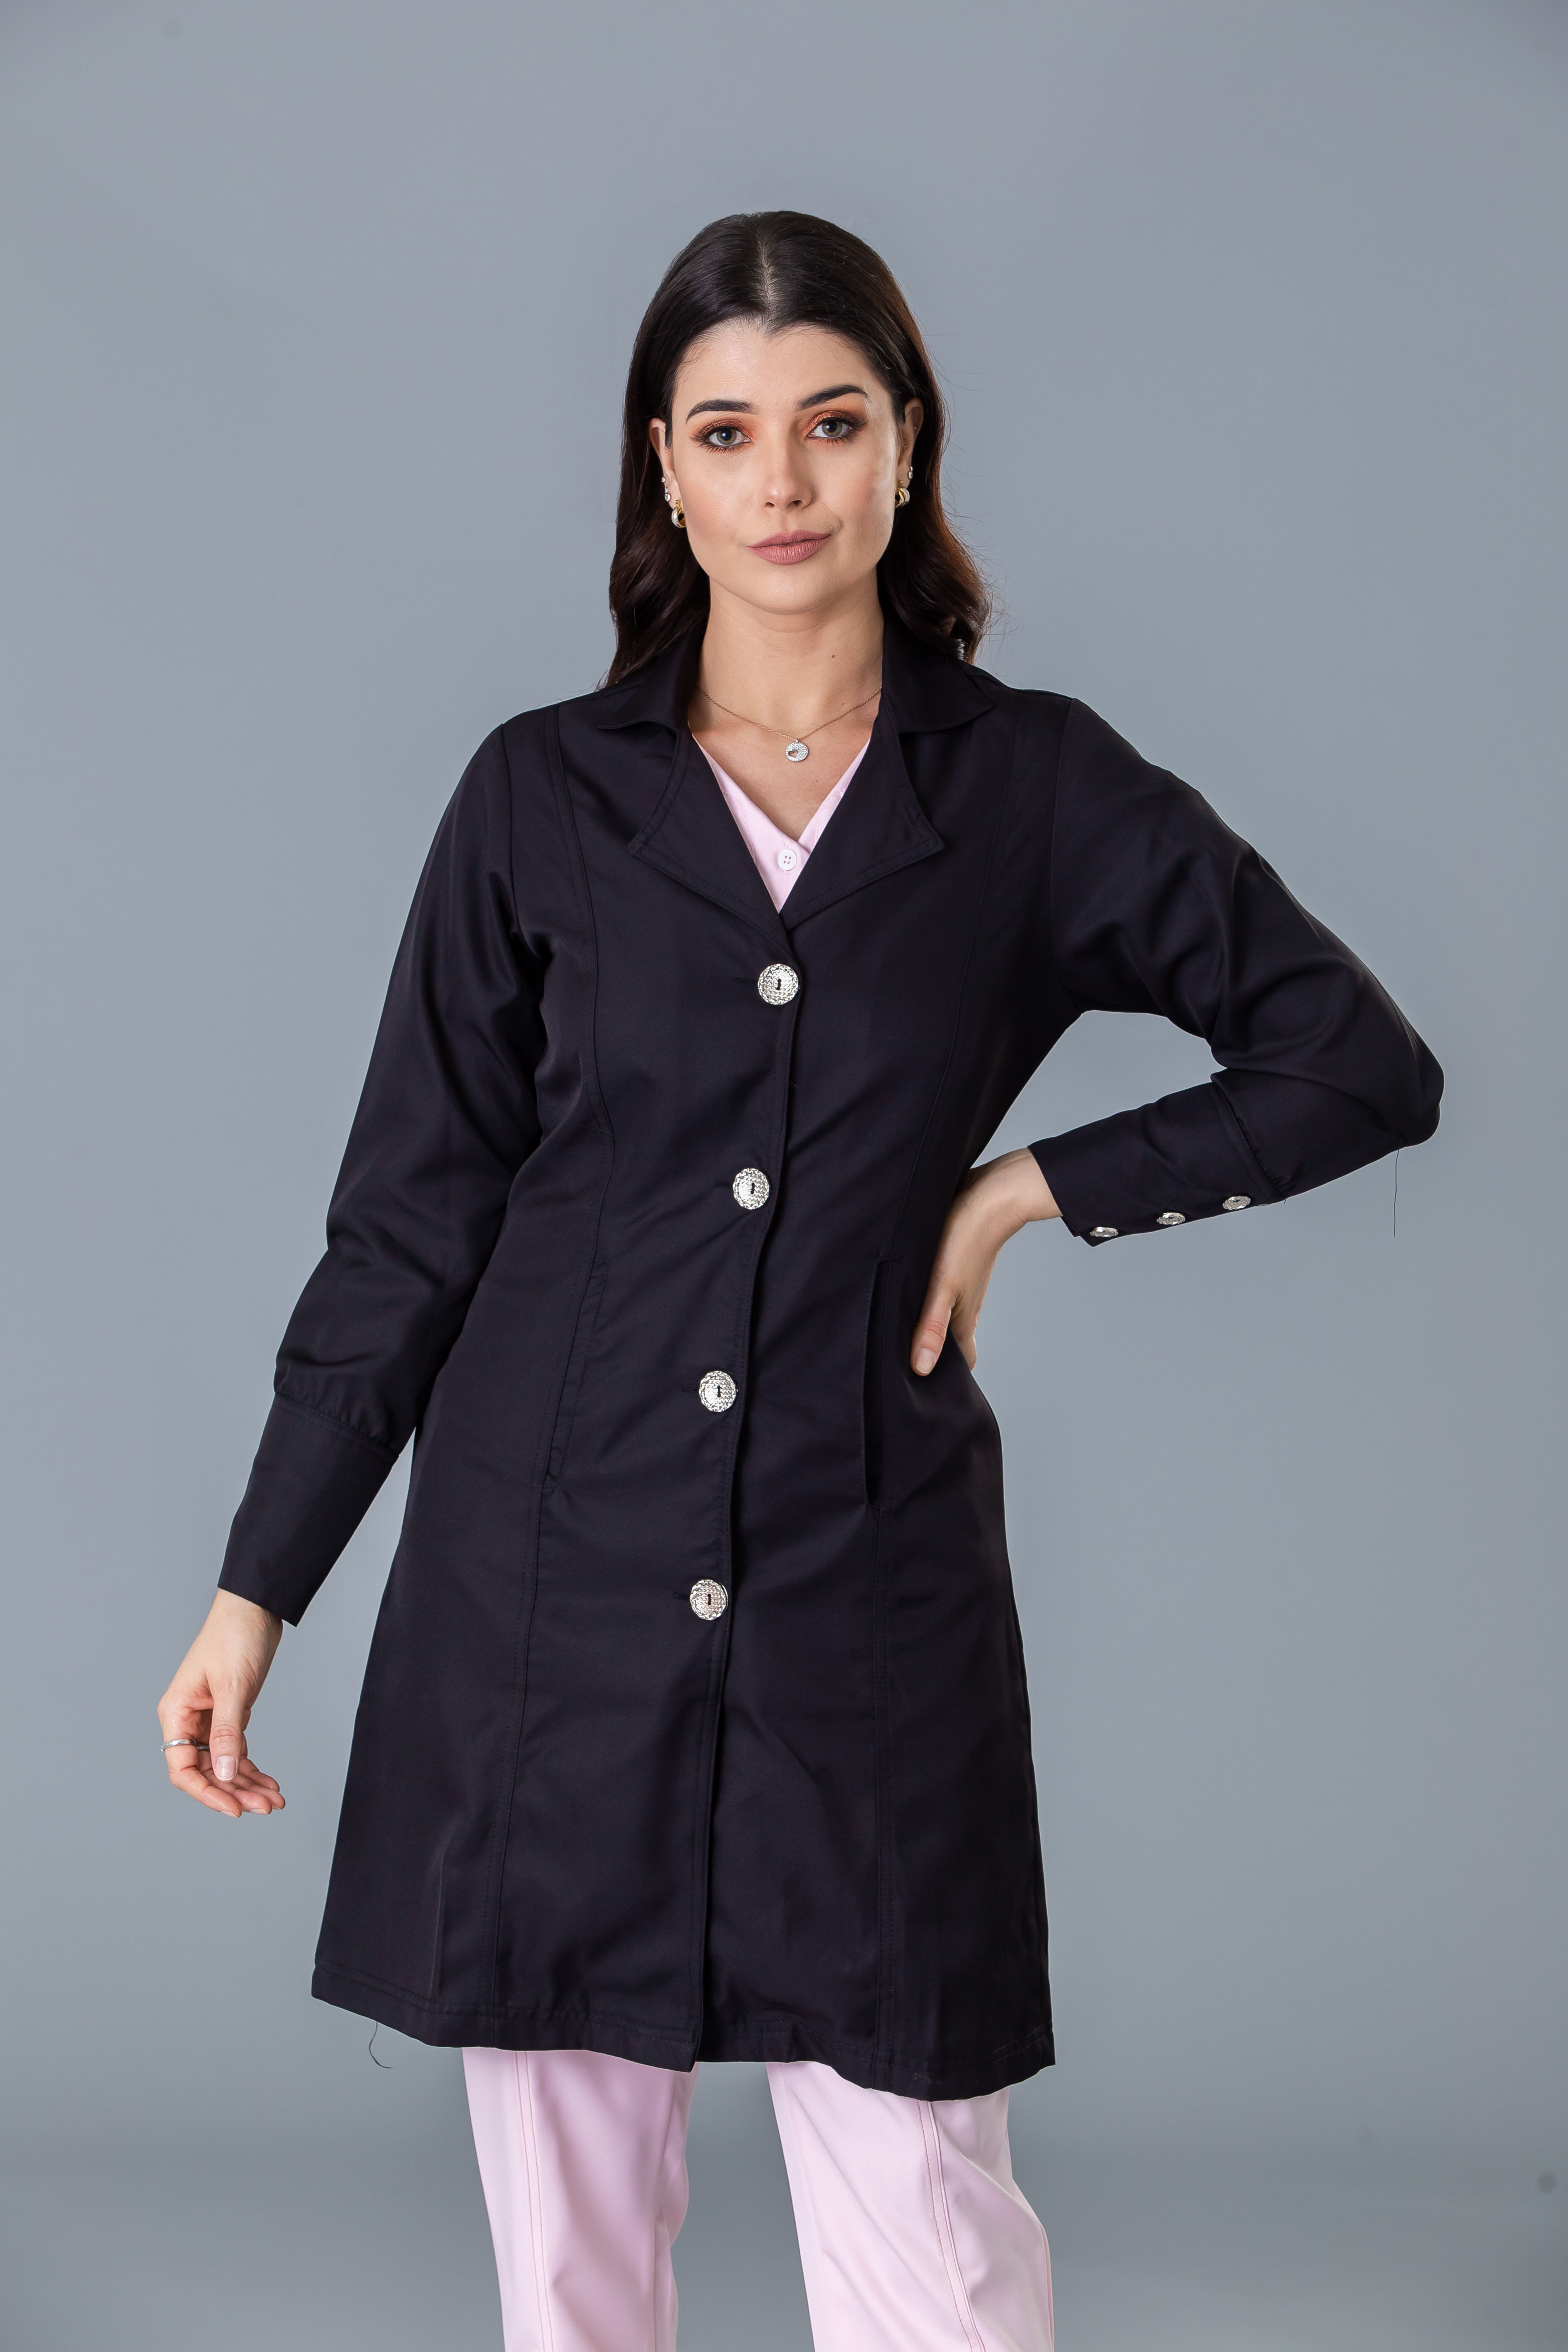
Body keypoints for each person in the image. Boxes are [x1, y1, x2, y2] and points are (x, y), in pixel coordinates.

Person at [157, 211, 1442, 2351]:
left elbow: (1355, 1062)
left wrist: (1020, 1192)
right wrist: (255, 1587)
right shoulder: (539, 799)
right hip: (544, 1598)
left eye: (832, 426)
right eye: (728, 432)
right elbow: (407, 1221)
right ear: (660, 468)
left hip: (867, 1583)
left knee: (933, 2245)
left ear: (907, 445)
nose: (784, 483)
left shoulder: (1028, 788)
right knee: (570, 2280)